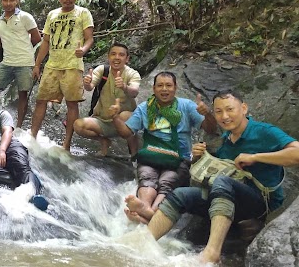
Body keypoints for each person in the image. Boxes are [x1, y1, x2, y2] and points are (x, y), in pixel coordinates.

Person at [146, 90, 299, 264]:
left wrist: (255, 157)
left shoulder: (264, 131)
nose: (224, 116)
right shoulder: (226, 138)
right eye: (218, 111)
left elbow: (297, 153)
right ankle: (144, 243)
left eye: (229, 109)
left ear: (244, 108)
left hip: (259, 204)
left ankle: (211, 253)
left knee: (223, 182)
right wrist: (196, 157)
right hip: (227, 199)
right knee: (181, 194)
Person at [112, 71, 217, 224]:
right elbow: (126, 133)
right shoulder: (144, 108)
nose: (164, 89)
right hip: (150, 156)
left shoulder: (186, 106)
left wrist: (207, 114)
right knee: (147, 177)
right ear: (154, 89)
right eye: (160, 85)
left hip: (179, 158)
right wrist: (115, 117)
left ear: (175, 88)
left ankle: (148, 214)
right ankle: (147, 209)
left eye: (168, 85)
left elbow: (211, 129)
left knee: (167, 181)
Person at [30, 0, 95, 151]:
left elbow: (89, 38)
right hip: (52, 64)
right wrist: (37, 65)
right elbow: (45, 42)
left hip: (72, 65)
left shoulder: (83, 13)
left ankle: (66, 143)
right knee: (41, 100)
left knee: (72, 103)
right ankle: (32, 136)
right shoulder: (52, 15)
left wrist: (84, 49)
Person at [0, 0, 42, 128]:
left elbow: (37, 38)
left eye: (11, 0)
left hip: (25, 62)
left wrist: (30, 55)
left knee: (23, 94)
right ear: (1, 1)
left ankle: (18, 127)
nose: (8, 3)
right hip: (7, 62)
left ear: (17, 1)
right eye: (5, 0)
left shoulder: (25, 17)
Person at [73, 43, 141, 157]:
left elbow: (134, 92)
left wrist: (124, 86)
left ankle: (134, 155)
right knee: (78, 125)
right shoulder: (102, 70)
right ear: (108, 57)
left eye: (121, 55)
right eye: (113, 54)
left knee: (126, 116)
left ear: (127, 59)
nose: (117, 57)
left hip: (123, 120)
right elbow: (90, 87)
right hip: (103, 120)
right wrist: (87, 83)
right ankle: (104, 141)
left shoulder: (132, 74)